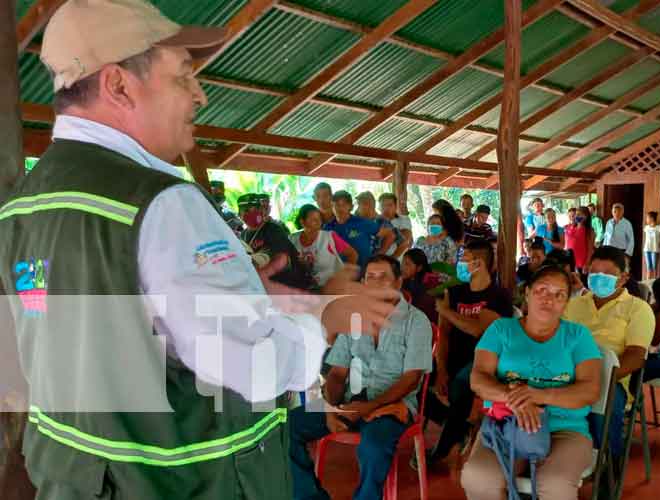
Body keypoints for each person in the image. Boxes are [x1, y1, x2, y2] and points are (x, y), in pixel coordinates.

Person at [0, 2, 401, 498]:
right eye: (183, 76)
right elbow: (250, 367)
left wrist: (252, 300)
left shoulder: (21, 206)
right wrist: (327, 315)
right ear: (119, 85)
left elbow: (59, 348)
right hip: (183, 483)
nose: (200, 94)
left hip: (73, 480)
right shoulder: (159, 203)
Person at [288, 255, 433, 500]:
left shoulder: (416, 321)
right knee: (286, 427)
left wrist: (370, 407)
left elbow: (411, 378)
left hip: (391, 407)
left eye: (383, 277)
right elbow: (337, 373)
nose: (375, 283)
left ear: (398, 282)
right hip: (349, 404)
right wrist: (331, 407)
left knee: (373, 447)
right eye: (369, 278)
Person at [461, 265, 602, 500]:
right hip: (505, 424)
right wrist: (515, 399)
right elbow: (478, 378)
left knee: (555, 484)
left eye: (559, 295)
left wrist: (538, 395)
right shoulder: (500, 330)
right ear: (527, 293)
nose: (549, 299)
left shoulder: (578, 336)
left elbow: (590, 390)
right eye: (542, 290)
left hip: (564, 429)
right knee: (478, 476)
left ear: (566, 302)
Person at [428, 240, 513, 466]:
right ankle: (460, 426)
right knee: (417, 378)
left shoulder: (498, 295)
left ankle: (442, 448)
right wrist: (442, 368)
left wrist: (446, 311)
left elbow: (478, 329)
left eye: (463, 259)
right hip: (454, 355)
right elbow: (443, 334)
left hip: (485, 359)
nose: (459, 264)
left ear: (479, 263)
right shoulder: (454, 292)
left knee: (462, 383)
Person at [564, 246, 655, 457]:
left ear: (623, 278)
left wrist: (597, 378)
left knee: (604, 407)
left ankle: (608, 468)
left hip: (611, 380)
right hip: (568, 374)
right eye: (594, 273)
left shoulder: (638, 309)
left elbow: (635, 356)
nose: (598, 279)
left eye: (606, 275)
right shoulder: (573, 305)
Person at [239, 194, 314, 290]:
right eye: (246, 210)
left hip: (288, 285)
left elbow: (279, 259)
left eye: (256, 209)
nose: (252, 213)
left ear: (261, 211)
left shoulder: (273, 229)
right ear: (239, 214)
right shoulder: (243, 235)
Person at [290, 204, 358, 288]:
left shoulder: (329, 237)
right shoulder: (292, 239)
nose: (318, 222)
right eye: (313, 219)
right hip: (306, 290)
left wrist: (346, 276)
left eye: (319, 219)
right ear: (302, 222)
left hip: (332, 288)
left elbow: (353, 254)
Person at [325, 190, 395, 269]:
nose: (340, 208)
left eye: (344, 205)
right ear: (332, 207)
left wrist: (380, 254)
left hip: (363, 271)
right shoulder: (327, 228)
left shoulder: (362, 222)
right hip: (338, 272)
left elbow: (390, 234)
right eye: (337, 205)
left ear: (351, 207)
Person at [356, 191, 403, 258]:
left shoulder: (382, 221)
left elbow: (402, 242)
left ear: (370, 205)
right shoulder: (359, 220)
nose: (358, 208)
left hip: (375, 263)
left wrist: (391, 258)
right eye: (358, 204)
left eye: (360, 204)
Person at [401, 248, 437, 324]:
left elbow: (420, 313)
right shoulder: (405, 280)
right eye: (403, 263)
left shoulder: (429, 286)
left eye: (407, 264)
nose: (402, 267)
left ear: (419, 268)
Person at [565, 206, 595, 282]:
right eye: (577, 214)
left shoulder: (589, 231)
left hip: (582, 263)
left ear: (587, 217)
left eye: (582, 215)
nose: (578, 216)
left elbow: (590, 249)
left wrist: (587, 264)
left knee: (582, 283)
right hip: (570, 261)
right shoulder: (570, 227)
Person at [379, 192, 413, 258]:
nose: (386, 208)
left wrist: (393, 259)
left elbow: (406, 238)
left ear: (395, 206)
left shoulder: (404, 219)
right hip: (379, 260)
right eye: (383, 205)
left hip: (397, 261)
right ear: (379, 207)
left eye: (389, 205)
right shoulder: (375, 221)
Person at [643, 211, 660, 281]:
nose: (646, 219)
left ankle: (655, 282)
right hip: (647, 249)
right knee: (648, 267)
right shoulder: (646, 227)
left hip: (655, 249)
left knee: (654, 268)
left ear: (652, 218)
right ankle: (648, 282)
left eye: (647, 218)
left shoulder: (658, 228)